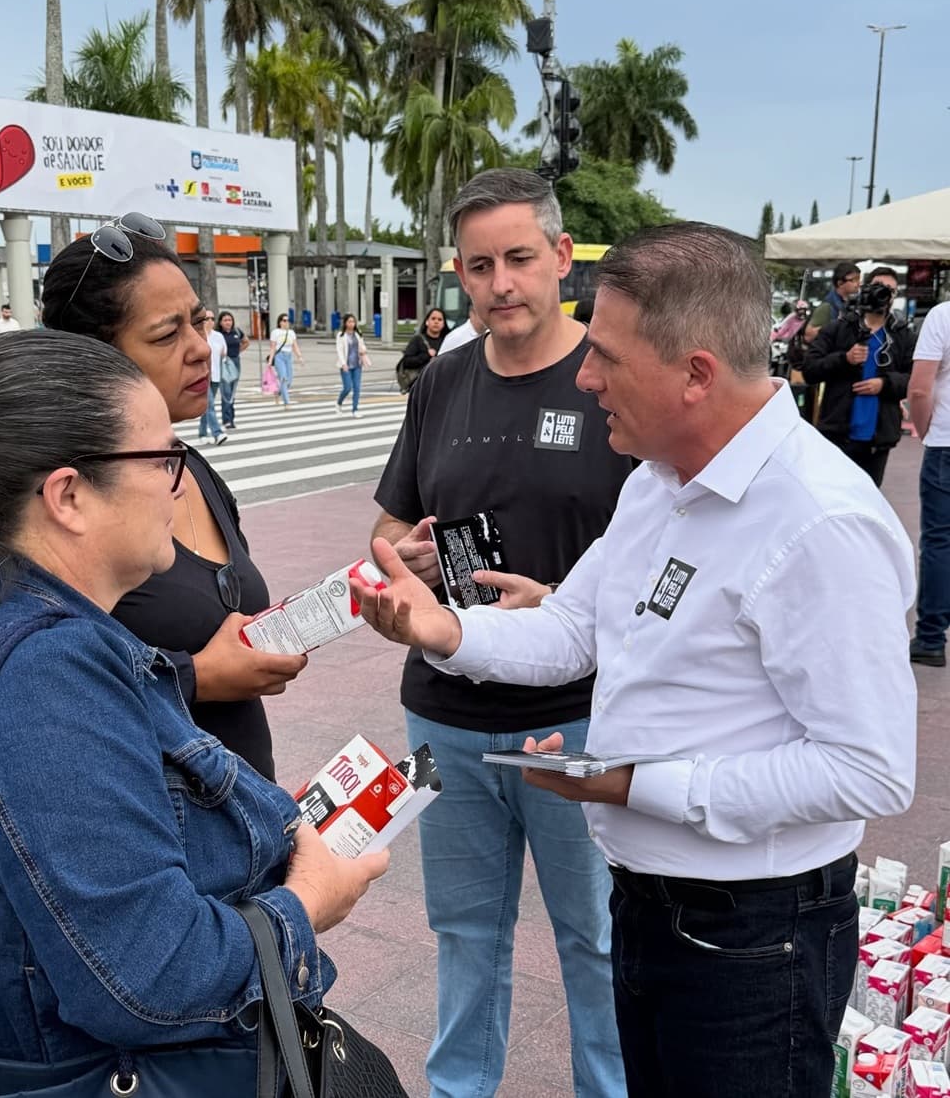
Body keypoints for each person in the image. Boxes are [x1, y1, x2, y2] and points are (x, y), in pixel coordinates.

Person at [354, 221, 917, 1098]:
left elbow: (868, 771)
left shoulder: (819, 522)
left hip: (753, 935)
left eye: (606, 357)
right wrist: (442, 631)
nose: (584, 377)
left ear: (695, 374)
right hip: (651, 901)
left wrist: (637, 783)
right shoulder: (659, 483)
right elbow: (575, 627)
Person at [0, 330, 389, 1093]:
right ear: (69, 495)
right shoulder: (45, 671)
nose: (183, 485)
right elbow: (153, 975)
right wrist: (308, 902)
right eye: (163, 460)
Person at [372, 168, 632, 1098]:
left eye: (520, 258)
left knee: (596, 940)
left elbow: (658, 557)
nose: (501, 284)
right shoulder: (442, 380)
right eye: (479, 266)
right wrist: (398, 558)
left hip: (579, 720)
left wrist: (560, 604)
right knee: (464, 934)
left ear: (563, 257)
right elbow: (389, 525)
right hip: (445, 711)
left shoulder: (609, 378)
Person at [42, 217, 306, 779]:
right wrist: (198, 677)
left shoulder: (196, 469)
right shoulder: (63, 501)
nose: (200, 349)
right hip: (146, 834)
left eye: (200, 322)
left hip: (244, 825)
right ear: (94, 357)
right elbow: (41, 686)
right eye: (166, 335)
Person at [803, 266, 915, 486]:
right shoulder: (839, 329)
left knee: (870, 501)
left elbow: (915, 380)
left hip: (878, 438)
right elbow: (810, 370)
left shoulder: (903, 336)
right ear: (865, 289)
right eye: (878, 288)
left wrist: (884, 383)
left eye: (890, 290)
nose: (884, 295)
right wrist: (844, 359)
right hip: (838, 434)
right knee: (833, 497)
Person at [907, 299, 950, 668]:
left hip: (946, 442)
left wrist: (923, 429)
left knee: (939, 540)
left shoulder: (943, 316)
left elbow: (920, 389)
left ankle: (932, 637)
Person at [804, 260, 862, 344]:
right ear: (840, 283)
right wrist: (837, 325)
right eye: (854, 280)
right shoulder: (827, 306)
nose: (858, 284)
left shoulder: (854, 303)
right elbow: (808, 336)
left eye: (859, 279)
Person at [396, 308, 449, 393]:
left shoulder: (447, 341)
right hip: (419, 387)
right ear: (427, 322)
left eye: (440, 319)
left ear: (443, 324)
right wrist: (426, 356)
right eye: (433, 319)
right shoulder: (417, 340)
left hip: (442, 386)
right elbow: (406, 362)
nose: (436, 322)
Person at [197, 309, 228, 446]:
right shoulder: (197, 335)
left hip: (216, 375)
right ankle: (217, 433)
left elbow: (223, 353)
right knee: (209, 405)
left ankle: (202, 433)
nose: (210, 321)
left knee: (206, 406)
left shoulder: (218, 336)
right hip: (202, 375)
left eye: (212, 318)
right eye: (207, 318)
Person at [335, 313, 371, 417]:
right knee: (347, 387)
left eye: (353, 322)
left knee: (357, 388)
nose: (352, 324)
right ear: (345, 323)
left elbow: (362, 345)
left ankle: (355, 409)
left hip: (357, 364)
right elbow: (340, 350)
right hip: (346, 365)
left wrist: (363, 349)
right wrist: (343, 363)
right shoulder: (341, 335)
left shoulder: (358, 333)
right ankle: (339, 403)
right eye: (349, 322)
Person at [217, 310, 249, 428]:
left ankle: (231, 418)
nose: (228, 322)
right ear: (220, 322)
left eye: (230, 320)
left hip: (235, 362)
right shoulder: (218, 334)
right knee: (226, 392)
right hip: (223, 363)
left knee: (232, 391)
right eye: (225, 320)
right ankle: (227, 420)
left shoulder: (237, 331)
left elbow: (246, 342)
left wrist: (237, 351)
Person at [267, 312, 302, 408]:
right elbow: (273, 347)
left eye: (288, 321)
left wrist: (299, 356)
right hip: (279, 356)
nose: (286, 322)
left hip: (288, 356)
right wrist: (270, 360)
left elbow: (295, 346)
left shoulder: (291, 333)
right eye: (284, 320)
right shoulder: (275, 332)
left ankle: (278, 393)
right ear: (280, 322)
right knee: (283, 378)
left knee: (289, 380)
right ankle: (287, 402)